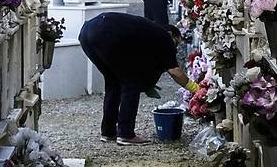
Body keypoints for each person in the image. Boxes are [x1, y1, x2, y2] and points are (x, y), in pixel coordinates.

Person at [79, 12, 199, 144]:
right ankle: (126, 134)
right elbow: (175, 72)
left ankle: (108, 132)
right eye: (176, 43)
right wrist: (195, 89)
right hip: (105, 31)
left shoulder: (147, 33)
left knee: (113, 82)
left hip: (86, 33)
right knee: (131, 83)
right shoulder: (165, 37)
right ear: (172, 35)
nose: (174, 48)